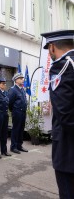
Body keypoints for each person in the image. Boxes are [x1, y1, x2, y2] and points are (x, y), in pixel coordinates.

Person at [41, 30, 74, 198]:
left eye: (48, 49)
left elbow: (66, 114)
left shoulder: (62, 66)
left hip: (69, 150)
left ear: (52, 47)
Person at [8, 72, 28, 154]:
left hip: (23, 112)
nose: (22, 80)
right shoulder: (13, 90)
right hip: (17, 112)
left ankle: (19, 145)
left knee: (21, 129)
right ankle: (13, 146)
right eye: (20, 78)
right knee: (16, 129)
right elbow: (10, 103)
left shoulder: (22, 89)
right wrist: (14, 110)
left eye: (22, 78)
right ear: (16, 80)